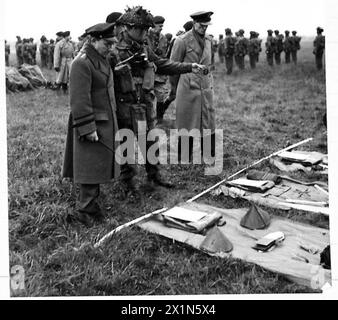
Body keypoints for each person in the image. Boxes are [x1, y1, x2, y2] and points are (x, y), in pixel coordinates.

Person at [109, 6, 204, 194]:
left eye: (146, 29)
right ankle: (128, 181)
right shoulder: (113, 49)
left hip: (144, 100)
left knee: (149, 139)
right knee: (126, 140)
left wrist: (189, 67)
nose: (145, 33)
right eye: (141, 29)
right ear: (127, 28)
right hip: (123, 102)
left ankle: (154, 175)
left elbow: (162, 64)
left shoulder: (144, 46)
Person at [62, 22, 120, 227]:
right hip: (91, 123)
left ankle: (91, 206)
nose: (111, 47)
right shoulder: (82, 62)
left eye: (113, 43)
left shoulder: (100, 59)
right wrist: (88, 128)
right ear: (94, 40)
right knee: (88, 167)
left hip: (103, 121)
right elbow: (79, 99)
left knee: (96, 166)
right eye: (108, 43)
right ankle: (85, 211)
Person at [169, 11, 215, 161]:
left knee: (208, 122)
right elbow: (173, 66)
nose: (204, 29)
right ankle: (184, 157)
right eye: (201, 26)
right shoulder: (181, 41)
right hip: (187, 87)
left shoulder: (208, 40)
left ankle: (209, 155)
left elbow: (209, 63)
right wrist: (175, 88)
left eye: (206, 26)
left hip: (205, 86)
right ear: (194, 23)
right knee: (186, 122)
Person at [147, 15, 171, 122]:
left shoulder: (163, 38)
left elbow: (164, 54)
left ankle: (159, 117)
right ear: (153, 25)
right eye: (159, 26)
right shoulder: (145, 36)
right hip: (148, 71)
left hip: (160, 71)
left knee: (161, 95)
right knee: (148, 97)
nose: (161, 28)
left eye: (162, 26)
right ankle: (150, 118)